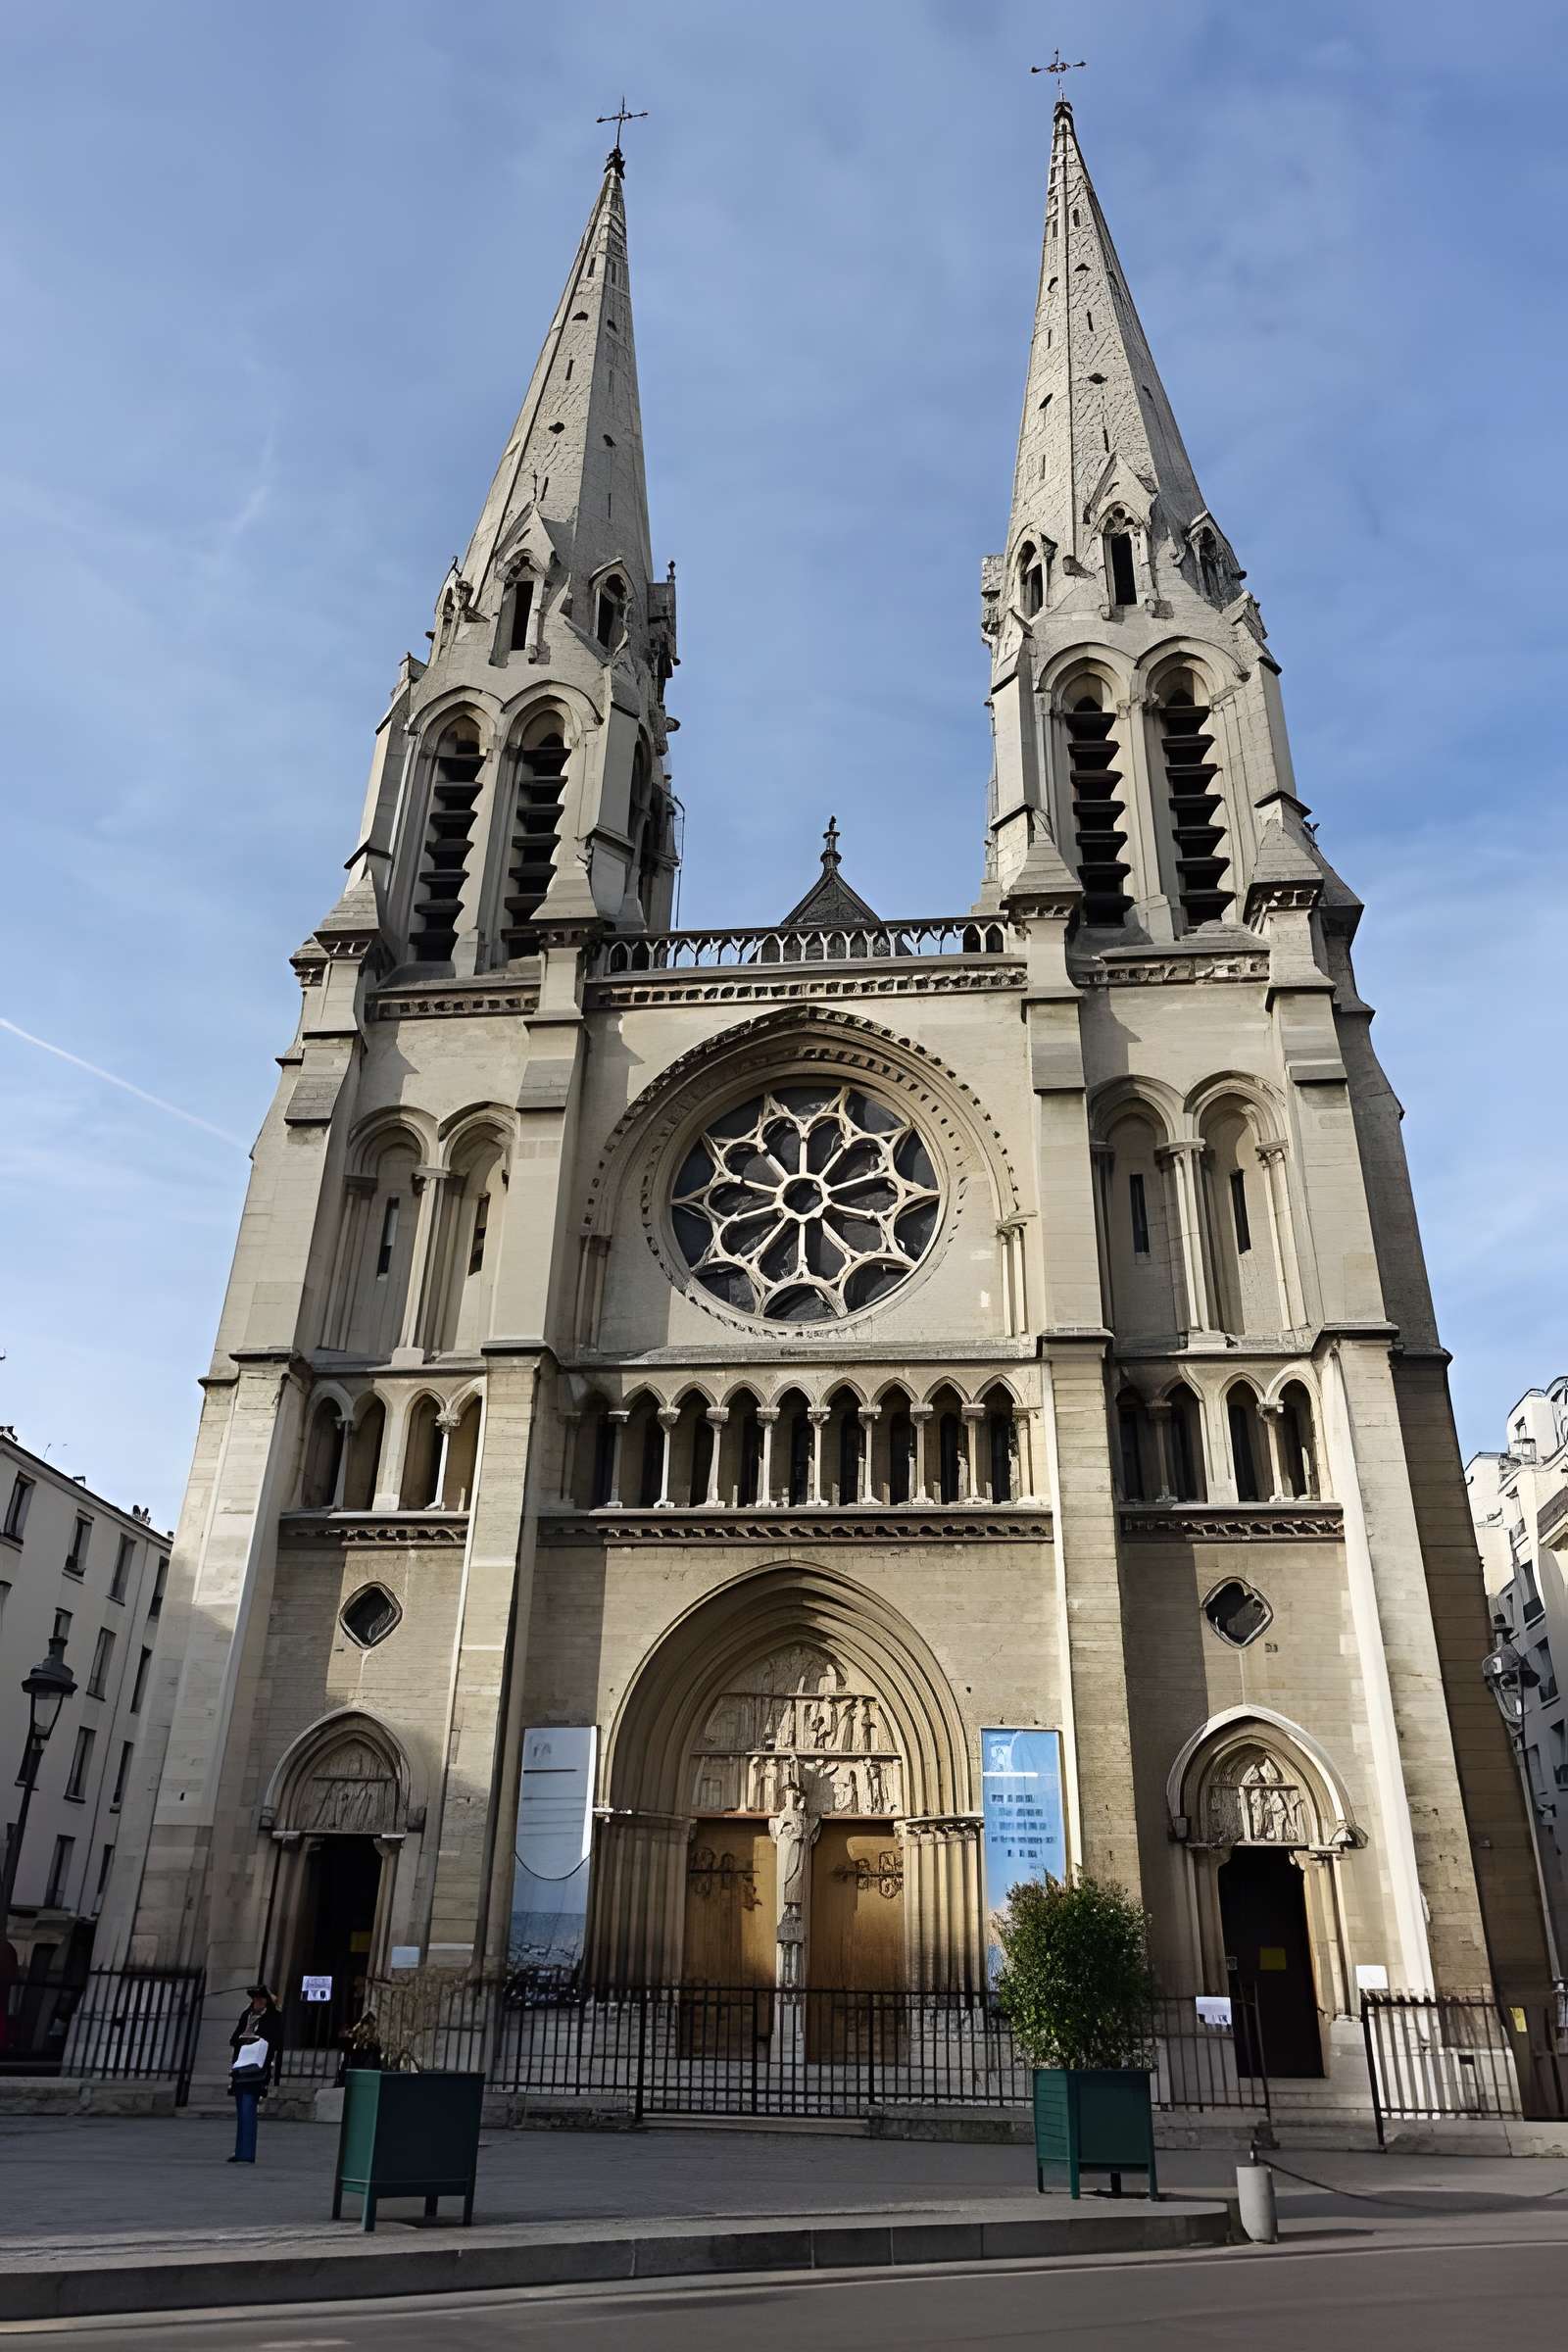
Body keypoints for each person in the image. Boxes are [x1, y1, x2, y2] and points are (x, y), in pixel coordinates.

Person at [227, 1984, 281, 2164]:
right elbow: (234, 2038)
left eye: (261, 1998)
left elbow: (276, 2041)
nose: (257, 2002)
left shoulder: (273, 2017)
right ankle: (240, 2150)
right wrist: (244, 2039)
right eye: (255, 1998)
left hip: (258, 2066)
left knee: (248, 2108)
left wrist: (257, 2040)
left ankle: (247, 2152)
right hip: (241, 2064)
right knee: (241, 2108)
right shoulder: (246, 2015)